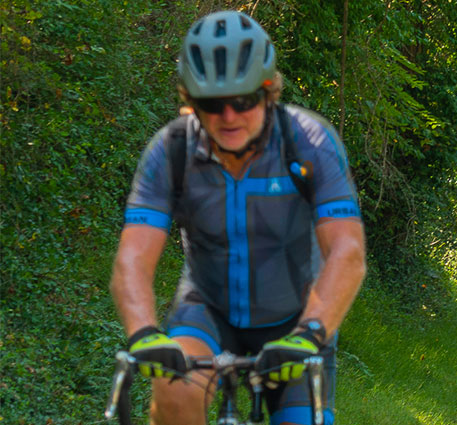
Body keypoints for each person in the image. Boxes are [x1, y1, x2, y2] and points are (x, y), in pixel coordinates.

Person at [109, 10, 365, 424]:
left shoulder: (308, 141)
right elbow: (133, 257)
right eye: (213, 104)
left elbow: (347, 252)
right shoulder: (171, 150)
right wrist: (143, 332)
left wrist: (311, 333)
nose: (229, 116)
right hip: (206, 310)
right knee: (173, 393)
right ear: (191, 101)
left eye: (243, 100)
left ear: (268, 92)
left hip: (297, 317)